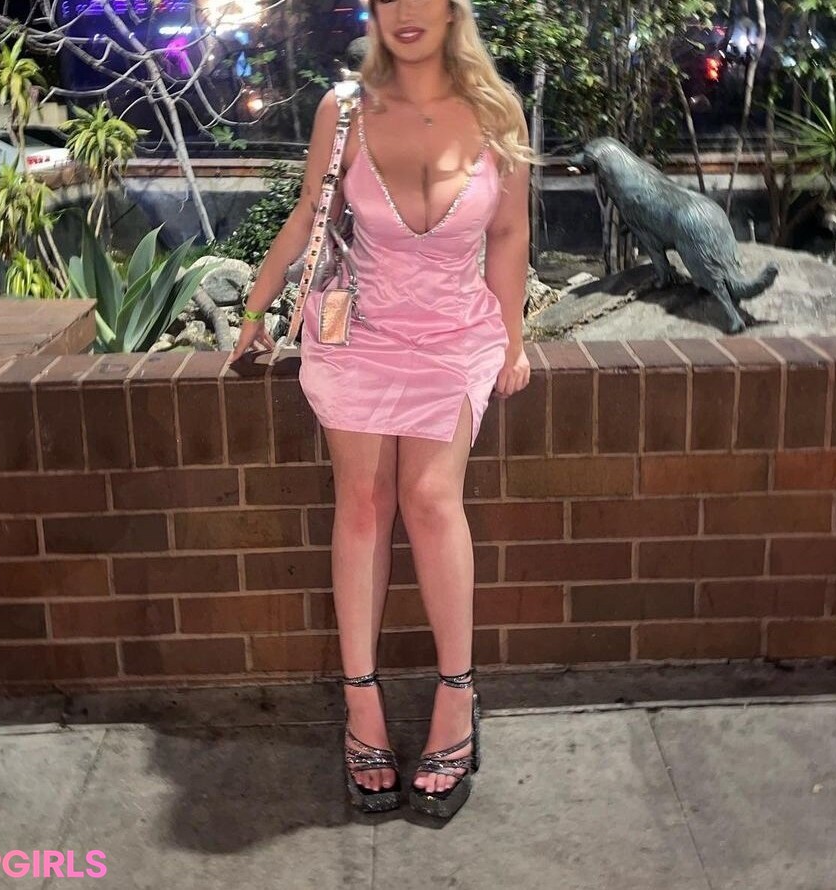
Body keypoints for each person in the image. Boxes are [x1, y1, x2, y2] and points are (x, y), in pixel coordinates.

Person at [230, 0, 533, 819]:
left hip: (455, 334)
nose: (404, 10)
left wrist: (512, 340)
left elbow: (508, 234)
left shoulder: (498, 112)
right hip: (360, 333)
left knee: (431, 499)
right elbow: (310, 213)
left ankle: (457, 697)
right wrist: (256, 308)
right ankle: (360, 702)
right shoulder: (346, 110)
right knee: (362, 503)